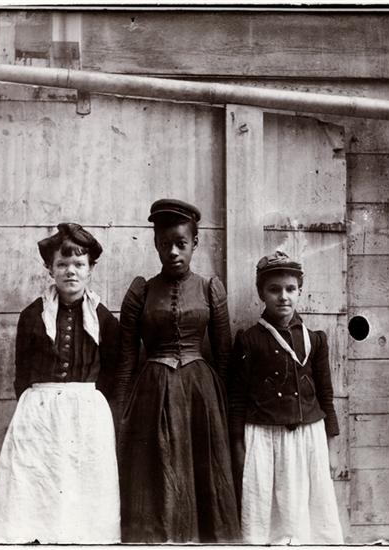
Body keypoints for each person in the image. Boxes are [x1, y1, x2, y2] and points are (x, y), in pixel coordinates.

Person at [0, 223, 120, 544]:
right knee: (34, 485)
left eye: (79, 264)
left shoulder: (104, 319)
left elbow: (112, 372)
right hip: (39, 414)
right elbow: (22, 373)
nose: (70, 271)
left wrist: (88, 404)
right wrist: (37, 405)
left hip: (86, 414)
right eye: (62, 264)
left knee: (82, 490)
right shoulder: (33, 315)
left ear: (91, 269)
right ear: (50, 269)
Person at [113, 199, 240, 543]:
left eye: (181, 243)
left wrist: (227, 417)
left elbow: (224, 358)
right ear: (156, 244)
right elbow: (126, 361)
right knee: (155, 476)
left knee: (204, 475)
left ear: (195, 243)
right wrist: (118, 416)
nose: (172, 252)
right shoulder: (141, 291)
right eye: (165, 244)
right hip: (152, 394)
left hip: (200, 396)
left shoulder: (209, 288)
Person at [228, 250, 343, 544]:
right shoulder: (249, 340)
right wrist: (238, 447)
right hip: (263, 438)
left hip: (308, 438)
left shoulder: (315, 340)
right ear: (261, 293)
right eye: (274, 289)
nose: (283, 297)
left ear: (300, 291)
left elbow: (326, 395)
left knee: (309, 513)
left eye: (290, 289)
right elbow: (237, 399)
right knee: (264, 513)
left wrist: (332, 446)